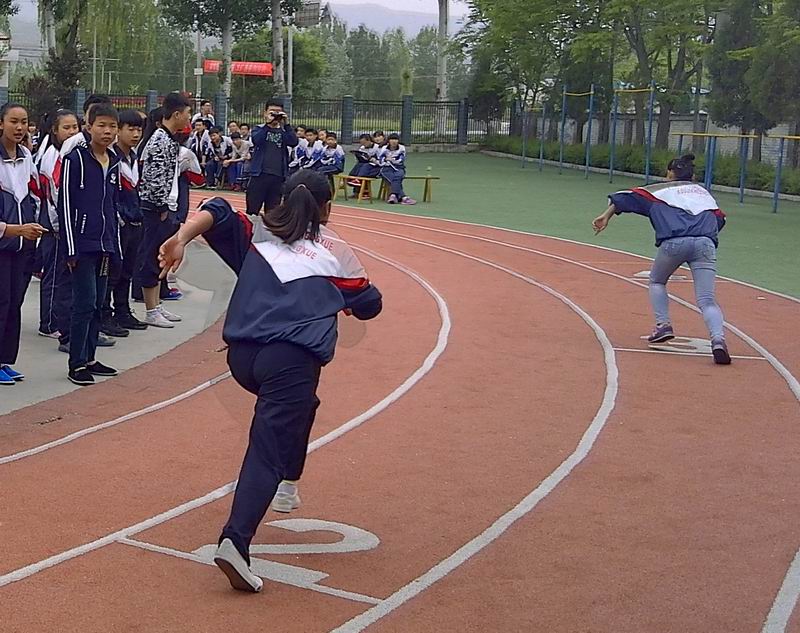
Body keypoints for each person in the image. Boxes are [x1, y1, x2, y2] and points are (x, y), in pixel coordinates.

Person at [158, 169, 383, 592]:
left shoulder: (257, 233)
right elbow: (370, 303)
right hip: (290, 360)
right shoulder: (335, 251)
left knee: (303, 407)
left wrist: (182, 237)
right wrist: (347, 299)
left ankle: (287, 484)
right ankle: (235, 541)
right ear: (327, 208)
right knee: (267, 449)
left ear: (281, 200)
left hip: (242, 357)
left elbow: (217, 208)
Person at [592, 153, 731, 365]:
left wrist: (606, 215)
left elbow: (625, 197)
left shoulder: (658, 191)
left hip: (674, 242)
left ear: (669, 174)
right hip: (705, 243)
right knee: (707, 300)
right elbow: (720, 219)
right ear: (692, 176)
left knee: (657, 281)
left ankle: (663, 325)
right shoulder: (704, 194)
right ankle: (718, 340)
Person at [57, 104, 123, 386]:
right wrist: (70, 248)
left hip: (105, 245)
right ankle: (76, 363)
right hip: (82, 245)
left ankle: (91, 357)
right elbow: (65, 204)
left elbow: (113, 205)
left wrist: (115, 246)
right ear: (89, 126)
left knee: (98, 304)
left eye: (112, 126)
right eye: (101, 125)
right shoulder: (75, 160)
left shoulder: (114, 161)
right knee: (84, 304)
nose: (107, 131)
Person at [0, 103, 46, 386]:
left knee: (14, 302)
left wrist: (32, 225)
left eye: (24, 122)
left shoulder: (27, 156)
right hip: (4, 243)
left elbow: (33, 195)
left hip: (23, 246)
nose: (19, 127)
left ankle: (5, 360)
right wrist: (13, 230)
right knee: (1, 301)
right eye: (13, 121)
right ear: (1, 124)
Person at [136, 93, 192, 328]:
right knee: (152, 256)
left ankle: (156, 305)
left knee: (160, 257)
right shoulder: (160, 140)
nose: (189, 119)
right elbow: (155, 178)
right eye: (187, 114)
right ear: (176, 114)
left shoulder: (168, 139)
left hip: (163, 206)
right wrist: (161, 206)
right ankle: (151, 310)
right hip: (154, 208)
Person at [102, 109, 149, 335]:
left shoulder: (134, 157)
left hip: (134, 221)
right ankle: (105, 315)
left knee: (128, 269)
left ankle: (122, 311)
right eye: (130, 129)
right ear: (118, 131)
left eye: (139, 129)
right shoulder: (110, 158)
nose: (136, 134)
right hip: (117, 223)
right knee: (113, 270)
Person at [35, 109, 80, 340]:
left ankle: (60, 320)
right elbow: (54, 195)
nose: (72, 132)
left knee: (64, 277)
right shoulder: (53, 156)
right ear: (54, 130)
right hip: (55, 226)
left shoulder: (71, 154)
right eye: (66, 127)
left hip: (65, 226)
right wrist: (58, 226)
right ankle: (49, 323)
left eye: (75, 127)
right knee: (53, 275)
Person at [245, 101, 298, 217]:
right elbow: (257, 140)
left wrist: (287, 124)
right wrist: (268, 124)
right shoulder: (258, 129)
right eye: (272, 112)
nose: (275, 115)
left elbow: (293, 142)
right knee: (252, 210)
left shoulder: (283, 132)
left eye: (278, 112)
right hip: (259, 175)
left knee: (273, 213)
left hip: (278, 176)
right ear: (265, 113)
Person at [379, 133, 416, 205]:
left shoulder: (402, 148)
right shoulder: (384, 148)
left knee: (397, 177)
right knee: (395, 180)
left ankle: (393, 195)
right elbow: (381, 159)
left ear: (398, 141)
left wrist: (392, 160)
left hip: (399, 168)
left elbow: (401, 159)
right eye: (392, 139)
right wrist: (385, 159)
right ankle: (403, 197)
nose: (394, 141)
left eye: (396, 139)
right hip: (386, 168)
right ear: (388, 141)